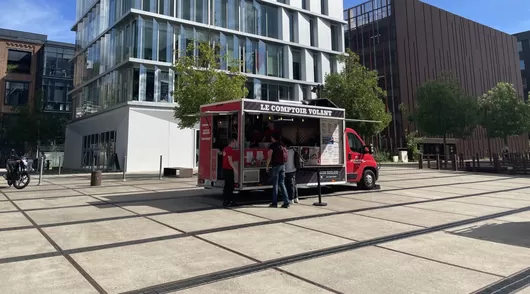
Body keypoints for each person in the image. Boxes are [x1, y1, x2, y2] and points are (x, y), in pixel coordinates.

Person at [266, 133, 289, 208]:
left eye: (271, 137)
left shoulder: (273, 145)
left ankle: (274, 203)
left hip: (275, 166)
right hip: (283, 166)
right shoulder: (282, 145)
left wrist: (267, 166)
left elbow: (269, 157)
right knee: (282, 183)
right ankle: (286, 202)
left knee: (275, 185)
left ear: (273, 138)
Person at [222, 136, 238, 207]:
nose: (235, 143)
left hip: (225, 169)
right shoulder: (230, 149)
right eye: (235, 142)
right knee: (230, 186)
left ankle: (226, 201)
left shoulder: (225, 149)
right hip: (229, 170)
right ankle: (231, 201)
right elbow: (230, 160)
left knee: (227, 186)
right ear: (232, 142)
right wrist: (235, 169)